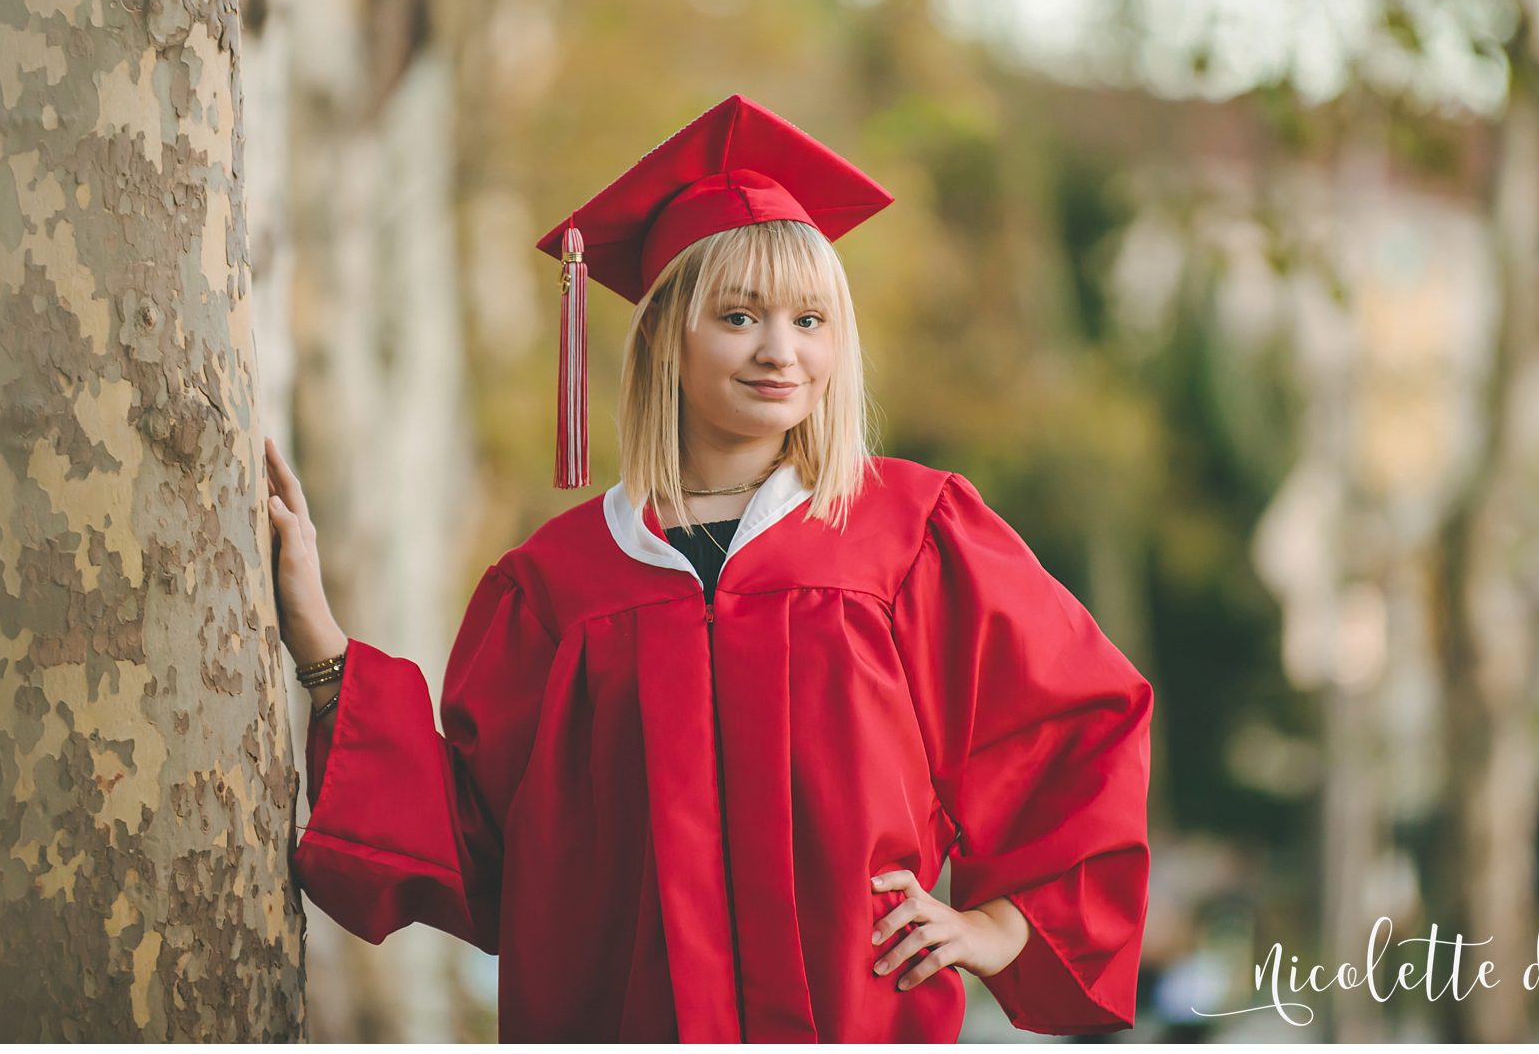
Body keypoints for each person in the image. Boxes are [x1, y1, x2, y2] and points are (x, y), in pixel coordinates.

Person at [268, 94, 1154, 1041]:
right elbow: (478, 851)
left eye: (810, 319)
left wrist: (997, 926)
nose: (782, 352)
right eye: (739, 316)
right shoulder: (555, 587)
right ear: (661, 335)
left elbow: (1073, 731)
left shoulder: (913, 535)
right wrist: (320, 643)